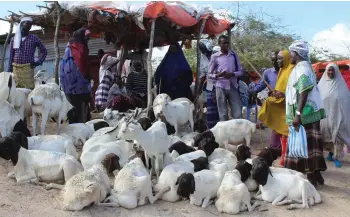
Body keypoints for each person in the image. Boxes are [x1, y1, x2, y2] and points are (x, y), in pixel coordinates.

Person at [284, 40, 327, 187]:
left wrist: (297, 114)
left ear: (296, 53)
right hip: (308, 113)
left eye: (291, 53)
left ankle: (311, 178)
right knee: (312, 144)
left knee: (305, 146)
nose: (289, 55)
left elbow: (304, 91)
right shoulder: (303, 67)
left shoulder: (302, 68)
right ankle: (316, 174)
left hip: (305, 114)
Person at [258, 50, 294, 166]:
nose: (277, 62)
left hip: (288, 107)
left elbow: (294, 90)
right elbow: (263, 86)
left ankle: (287, 159)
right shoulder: (277, 72)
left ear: (287, 59)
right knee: (276, 132)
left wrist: (283, 94)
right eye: (275, 60)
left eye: (279, 59)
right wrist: (274, 94)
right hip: (279, 107)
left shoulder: (292, 71)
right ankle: (275, 156)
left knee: (287, 134)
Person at [318, 63, 350, 168]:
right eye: (329, 70)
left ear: (336, 71)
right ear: (326, 71)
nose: (331, 72)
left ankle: (336, 156)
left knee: (337, 135)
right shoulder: (320, 85)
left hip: (337, 115)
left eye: (332, 70)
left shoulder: (341, 85)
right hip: (325, 116)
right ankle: (329, 154)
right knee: (326, 134)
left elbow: (346, 101)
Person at [60, 28, 92, 123]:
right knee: (80, 107)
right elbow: (81, 64)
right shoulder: (80, 46)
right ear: (81, 36)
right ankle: (81, 125)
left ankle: (74, 125)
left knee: (72, 106)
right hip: (78, 83)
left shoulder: (69, 45)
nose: (88, 39)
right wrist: (87, 77)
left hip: (67, 82)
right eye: (87, 37)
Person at [208, 35, 243, 121]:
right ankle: (225, 133)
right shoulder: (215, 56)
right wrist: (218, 75)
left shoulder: (234, 55)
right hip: (220, 86)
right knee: (223, 114)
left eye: (227, 43)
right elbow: (209, 74)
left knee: (237, 113)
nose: (226, 45)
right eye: (224, 43)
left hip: (232, 86)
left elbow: (241, 71)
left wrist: (232, 74)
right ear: (219, 44)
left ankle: (238, 132)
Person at [8, 17, 47, 89]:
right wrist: (9, 71)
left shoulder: (34, 38)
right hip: (16, 69)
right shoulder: (14, 39)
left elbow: (44, 51)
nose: (29, 26)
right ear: (22, 24)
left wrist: (38, 62)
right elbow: (11, 55)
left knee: (28, 89)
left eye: (30, 24)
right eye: (27, 24)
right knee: (16, 89)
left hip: (28, 68)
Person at [196, 39, 219, 128]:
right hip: (210, 84)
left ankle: (222, 129)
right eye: (202, 50)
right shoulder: (202, 58)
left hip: (220, 83)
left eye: (204, 49)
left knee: (221, 108)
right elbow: (202, 76)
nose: (203, 51)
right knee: (211, 108)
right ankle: (212, 130)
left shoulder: (217, 53)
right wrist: (199, 90)